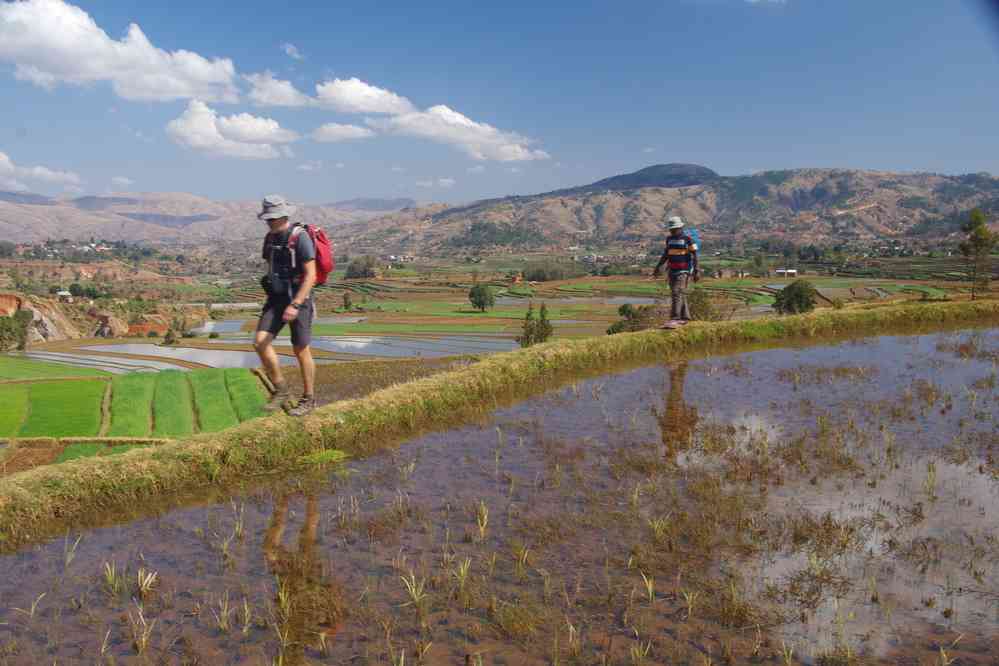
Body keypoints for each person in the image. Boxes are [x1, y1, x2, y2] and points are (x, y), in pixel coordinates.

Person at [255, 195, 317, 416]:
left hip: (299, 299)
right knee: (260, 342)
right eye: (267, 219)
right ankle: (280, 389)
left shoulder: (300, 238)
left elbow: (311, 275)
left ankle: (309, 399)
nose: (269, 222)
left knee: (301, 350)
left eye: (272, 219)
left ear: (283, 216)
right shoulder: (269, 239)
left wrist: (296, 304)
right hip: (276, 298)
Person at [652, 216, 699, 323]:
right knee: (680, 293)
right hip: (672, 271)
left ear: (680, 228)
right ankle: (686, 317)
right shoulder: (669, 239)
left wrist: (696, 271)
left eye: (674, 229)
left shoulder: (688, 240)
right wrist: (658, 267)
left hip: (684, 271)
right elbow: (666, 254)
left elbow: (695, 255)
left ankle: (675, 318)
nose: (672, 231)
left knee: (676, 292)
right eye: (671, 229)